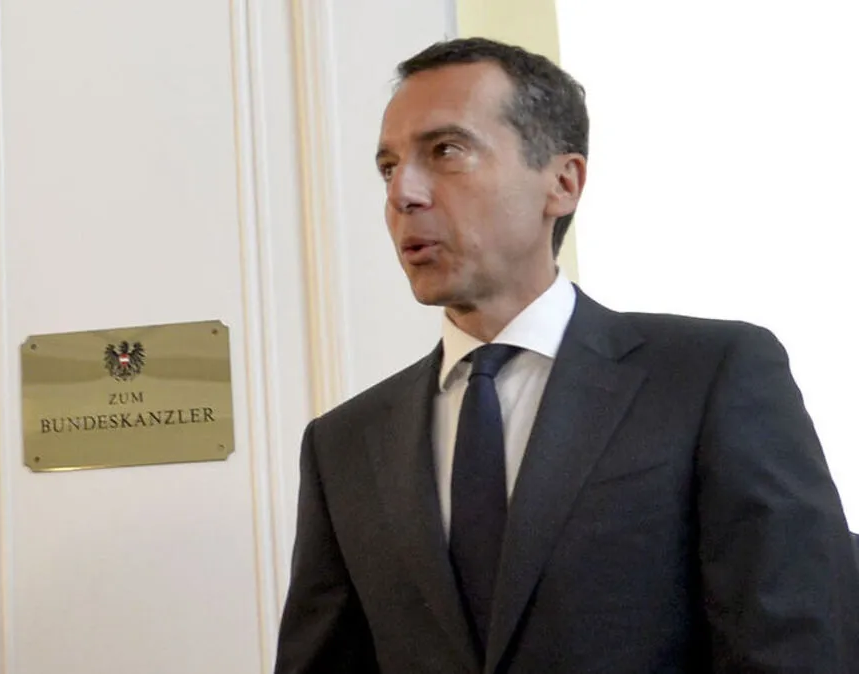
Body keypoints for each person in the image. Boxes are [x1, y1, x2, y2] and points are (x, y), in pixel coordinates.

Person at [272, 37, 859, 673]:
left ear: (562, 182)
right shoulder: (343, 445)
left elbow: (797, 643)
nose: (403, 193)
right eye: (388, 167)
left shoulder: (710, 376)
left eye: (446, 151)